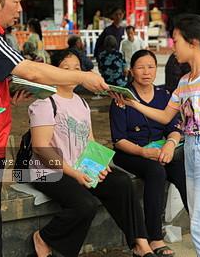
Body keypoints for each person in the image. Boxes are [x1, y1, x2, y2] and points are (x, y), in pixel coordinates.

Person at [0, 0, 108, 257]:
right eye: (16, 0)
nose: (20, 8)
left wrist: (8, 96)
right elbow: (30, 70)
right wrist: (82, 75)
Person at [113, 14, 200, 257]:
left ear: (193, 43)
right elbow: (164, 116)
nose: (173, 47)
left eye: (176, 41)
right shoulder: (185, 81)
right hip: (190, 149)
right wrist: (133, 104)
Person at [29, 50, 155, 257]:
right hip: (49, 171)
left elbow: (90, 140)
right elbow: (41, 148)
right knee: (85, 204)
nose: (72, 73)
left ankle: (140, 244)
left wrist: (99, 164)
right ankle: (43, 238)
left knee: (121, 182)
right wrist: (75, 174)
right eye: (65, 68)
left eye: (77, 68)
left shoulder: (82, 102)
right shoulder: (45, 102)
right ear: (53, 71)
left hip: (80, 168)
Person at [110, 50, 186, 257]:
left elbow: (174, 127)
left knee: (182, 170)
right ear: (131, 71)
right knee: (156, 172)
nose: (146, 72)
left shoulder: (164, 95)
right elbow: (118, 140)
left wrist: (170, 144)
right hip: (131, 152)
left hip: (162, 149)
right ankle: (154, 237)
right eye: (140, 67)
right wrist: (143, 152)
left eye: (151, 66)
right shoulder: (121, 98)